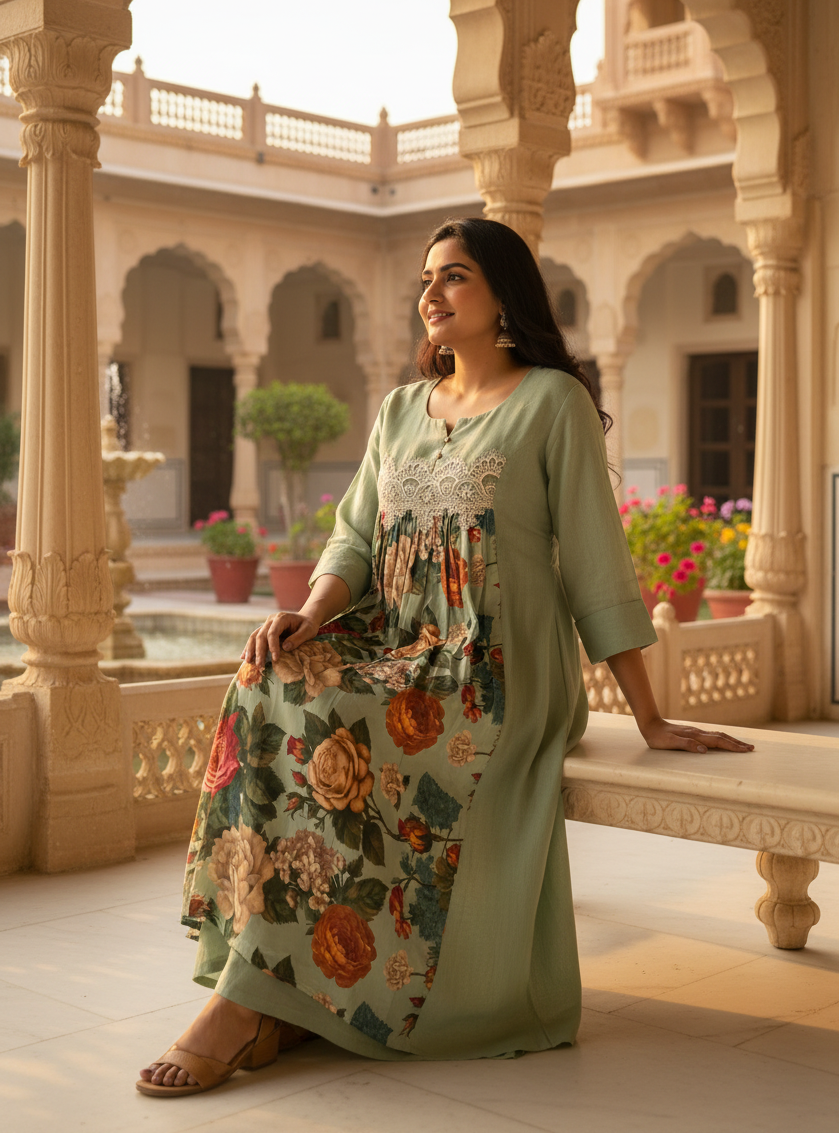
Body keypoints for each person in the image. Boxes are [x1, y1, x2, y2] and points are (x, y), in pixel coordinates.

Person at [137, 217, 753, 1098]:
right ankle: (269, 989)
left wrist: (647, 715)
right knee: (269, 679)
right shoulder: (399, 410)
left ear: (505, 294)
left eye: (454, 276)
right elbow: (352, 538)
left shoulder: (552, 402)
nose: (431, 294)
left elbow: (593, 559)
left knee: (338, 717)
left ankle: (248, 1008)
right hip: (400, 646)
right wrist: (308, 617)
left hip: (495, 670)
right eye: (425, 279)